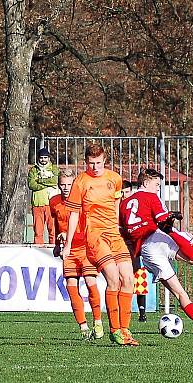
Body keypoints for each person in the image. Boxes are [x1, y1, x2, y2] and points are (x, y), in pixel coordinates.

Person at [119, 168, 193, 345]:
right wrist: (171, 218)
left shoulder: (123, 204)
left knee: (180, 293)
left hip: (148, 248)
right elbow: (162, 218)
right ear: (145, 183)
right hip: (159, 238)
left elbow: (126, 235)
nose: (158, 188)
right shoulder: (150, 197)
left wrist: (134, 259)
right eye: (157, 184)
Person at [62, 143, 139, 346]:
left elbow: (115, 204)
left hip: (113, 233)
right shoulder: (81, 181)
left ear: (104, 160)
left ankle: (125, 329)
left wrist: (118, 227)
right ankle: (114, 329)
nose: (94, 167)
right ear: (85, 162)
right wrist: (68, 245)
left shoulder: (114, 179)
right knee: (113, 278)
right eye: (90, 163)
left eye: (98, 163)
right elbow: (73, 214)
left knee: (129, 279)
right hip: (94, 236)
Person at [50, 169, 104, 339]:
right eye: (62, 184)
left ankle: (97, 321)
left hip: (85, 248)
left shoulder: (83, 201)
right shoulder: (54, 202)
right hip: (69, 250)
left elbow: (88, 226)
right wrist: (57, 244)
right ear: (58, 185)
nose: (66, 188)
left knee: (90, 282)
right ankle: (83, 327)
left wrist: (71, 235)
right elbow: (56, 226)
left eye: (69, 184)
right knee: (71, 287)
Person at [121, 180, 149, 322]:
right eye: (122, 192)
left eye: (126, 192)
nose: (123, 195)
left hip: (135, 246)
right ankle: (123, 310)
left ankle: (142, 312)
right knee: (125, 279)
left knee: (139, 275)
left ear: (131, 191)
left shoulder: (135, 205)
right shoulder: (118, 206)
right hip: (122, 246)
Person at [27, 147, 59, 245]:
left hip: (51, 203)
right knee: (38, 231)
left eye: (45, 157)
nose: (43, 160)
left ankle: (54, 250)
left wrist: (40, 180)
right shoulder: (33, 170)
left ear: (49, 158)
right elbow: (31, 184)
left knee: (53, 230)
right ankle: (38, 251)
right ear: (38, 158)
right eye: (41, 157)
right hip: (37, 204)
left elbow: (55, 181)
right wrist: (47, 183)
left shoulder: (54, 169)